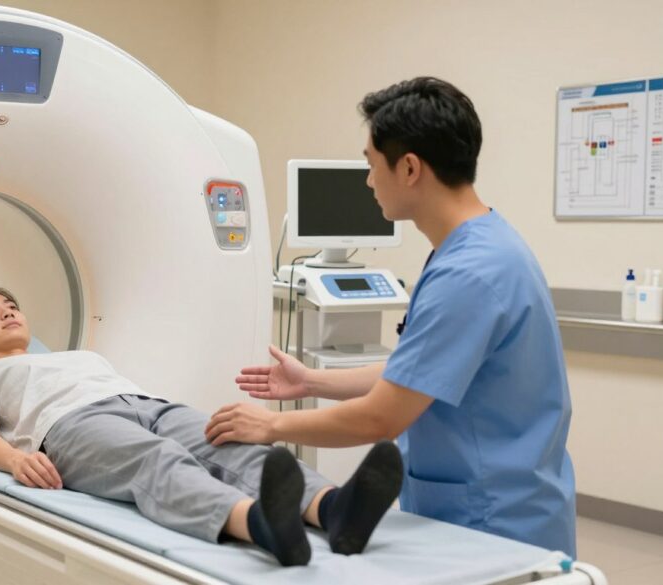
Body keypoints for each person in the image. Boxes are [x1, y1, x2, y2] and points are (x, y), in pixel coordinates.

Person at [205, 77, 576, 557]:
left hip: (491, 523)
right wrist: (311, 382)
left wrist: (270, 427)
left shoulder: (468, 274)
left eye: (370, 163)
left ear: (408, 168)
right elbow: (421, 372)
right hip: (505, 504)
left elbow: (382, 417)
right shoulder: (485, 245)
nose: (367, 180)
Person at [0, 284, 404, 567]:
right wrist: (17, 459)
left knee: (230, 439)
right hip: (70, 427)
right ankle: (260, 524)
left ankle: (333, 510)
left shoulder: (77, 354)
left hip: (147, 404)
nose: (8, 310)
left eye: (11, 304)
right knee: (158, 460)